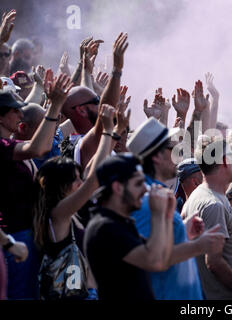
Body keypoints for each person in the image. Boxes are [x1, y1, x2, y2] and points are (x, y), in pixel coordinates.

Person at [128, 117, 224, 300]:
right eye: (173, 149)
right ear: (157, 156)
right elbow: (151, 259)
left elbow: (160, 243)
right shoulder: (146, 201)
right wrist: (198, 246)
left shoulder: (157, 194)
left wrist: (183, 230)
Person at [33, 104, 121, 299]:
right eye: (76, 179)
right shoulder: (58, 214)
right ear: (61, 185)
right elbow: (93, 179)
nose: (81, 183)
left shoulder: (71, 210)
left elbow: (92, 169)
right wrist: (106, 131)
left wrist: (116, 132)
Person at [0, 73, 72, 299]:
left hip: (27, 234)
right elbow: (38, 148)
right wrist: (55, 106)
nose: (19, 114)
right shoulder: (0, 147)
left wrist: (56, 106)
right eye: (14, 110)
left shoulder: (10, 145)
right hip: (14, 235)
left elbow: (39, 144)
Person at [84, 153, 174, 300]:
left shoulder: (121, 222)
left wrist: (167, 216)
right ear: (118, 188)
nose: (145, 190)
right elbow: (155, 261)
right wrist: (157, 215)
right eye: (138, 184)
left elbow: (164, 260)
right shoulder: (104, 227)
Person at [183, 137, 232, 300]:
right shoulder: (213, 204)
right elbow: (214, 262)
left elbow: (206, 248)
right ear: (224, 161)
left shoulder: (200, 195)